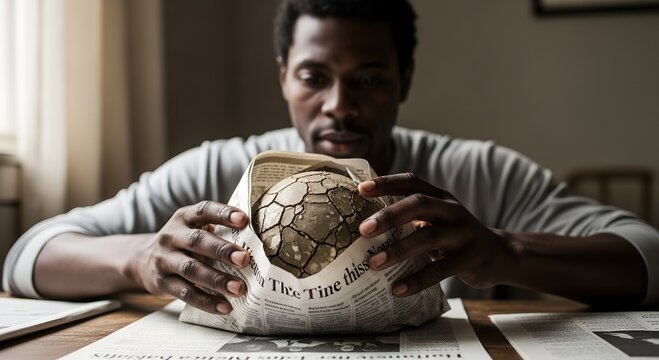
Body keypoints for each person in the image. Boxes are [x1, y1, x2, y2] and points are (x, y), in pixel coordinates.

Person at [3, 0, 658, 316]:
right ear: (284, 76)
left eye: (370, 78)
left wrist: (504, 253)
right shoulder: (217, 172)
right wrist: (140, 257)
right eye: (315, 77)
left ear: (403, 78)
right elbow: (28, 254)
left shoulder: (473, 175)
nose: (339, 106)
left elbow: (645, 255)